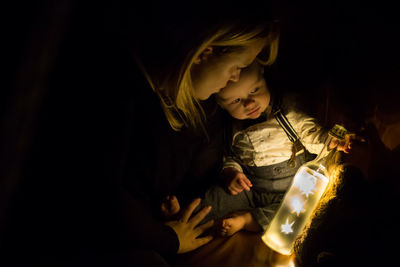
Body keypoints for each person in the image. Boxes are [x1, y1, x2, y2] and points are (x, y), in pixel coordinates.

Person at [0, 2, 281, 266]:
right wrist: (167, 239)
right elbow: (99, 199)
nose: (236, 79)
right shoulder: (116, 93)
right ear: (203, 51)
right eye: (236, 68)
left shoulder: (201, 109)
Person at [165, 61, 352, 238]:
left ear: (264, 78)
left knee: (299, 211)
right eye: (236, 100)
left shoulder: (287, 112)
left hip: (291, 189)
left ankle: (247, 220)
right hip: (250, 187)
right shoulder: (232, 128)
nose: (249, 103)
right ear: (221, 104)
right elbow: (231, 157)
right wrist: (231, 173)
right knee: (217, 198)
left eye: (255, 90)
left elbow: (311, 133)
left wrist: (330, 140)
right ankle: (183, 220)